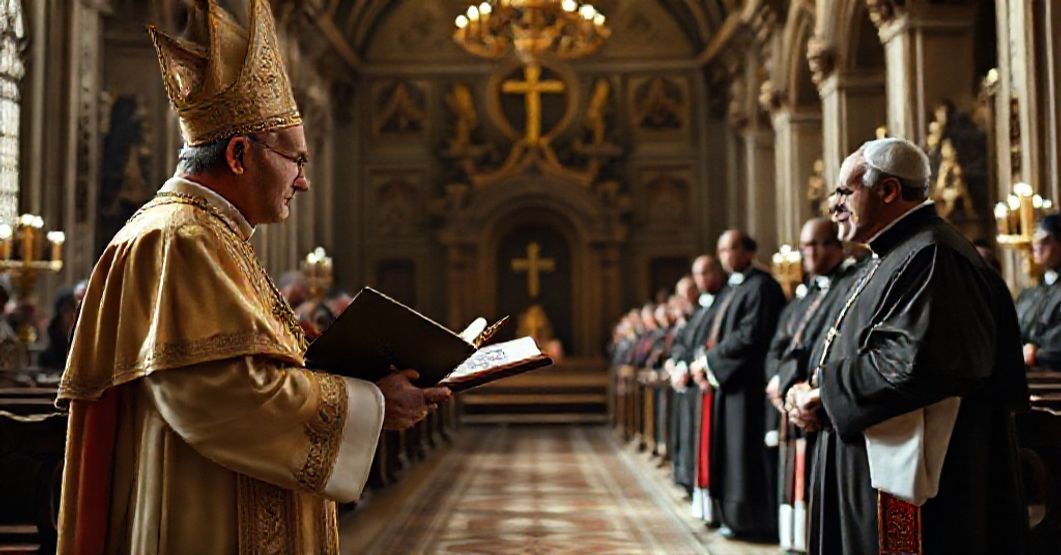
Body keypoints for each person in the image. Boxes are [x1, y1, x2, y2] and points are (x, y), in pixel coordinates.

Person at [54, 1, 450, 552]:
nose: (302, 181)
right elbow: (219, 396)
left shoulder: (210, 234)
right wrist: (373, 405)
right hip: (207, 518)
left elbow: (253, 367)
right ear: (240, 154)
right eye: (296, 161)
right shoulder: (183, 239)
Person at [789, 138, 1028, 554]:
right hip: (869, 459)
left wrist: (824, 392)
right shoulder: (894, 255)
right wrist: (815, 390)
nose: (834, 206)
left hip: (922, 485)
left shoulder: (933, 255)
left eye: (845, 191)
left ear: (888, 190)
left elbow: (913, 364)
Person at [764, 218, 862, 552]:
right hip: (790, 395)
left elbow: (823, 347)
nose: (807, 253)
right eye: (804, 245)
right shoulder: (804, 295)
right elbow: (779, 343)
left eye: (814, 244)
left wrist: (793, 383)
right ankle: (793, 538)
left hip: (814, 397)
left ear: (836, 246)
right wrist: (776, 378)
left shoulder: (849, 284)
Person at [690, 230, 786, 539]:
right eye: (721, 250)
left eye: (731, 249)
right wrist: (705, 362)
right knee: (729, 453)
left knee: (744, 454)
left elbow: (750, 335)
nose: (725, 256)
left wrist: (709, 361)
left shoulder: (762, 286)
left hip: (748, 386)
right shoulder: (734, 288)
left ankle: (751, 520)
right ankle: (730, 514)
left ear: (749, 252)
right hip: (728, 383)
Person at [663, 255, 726, 517]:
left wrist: (692, 366)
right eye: (697, 274)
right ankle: (687, 479)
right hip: (689, 383)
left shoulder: (719, 304)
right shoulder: (701, 310)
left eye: (704, 274)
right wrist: (677, 363)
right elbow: (684, 344)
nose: (701, 280)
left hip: (701, 383)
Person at [1015, 214, 1061, 370]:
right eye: (1035, 240)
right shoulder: (1029, 293)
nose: (1036, 246)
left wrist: (1037, 353)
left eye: (1045, 240)